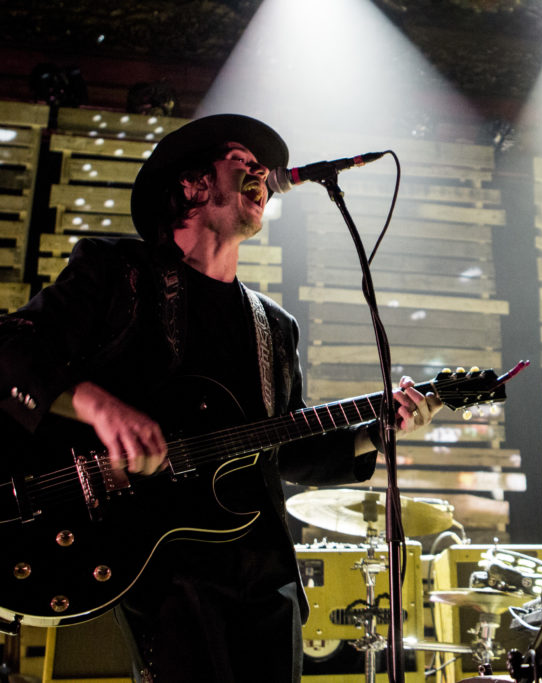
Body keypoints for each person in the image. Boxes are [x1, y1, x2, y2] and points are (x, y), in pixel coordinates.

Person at [0, 114, 442, 682]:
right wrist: (95, 405)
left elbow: (284, 444)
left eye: (262, 167)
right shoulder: (118, 274)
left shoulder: (273, 326)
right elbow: (11, 346)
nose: (260, 171)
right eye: (241, 159)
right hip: (163, 559)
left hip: (264, 569)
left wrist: (377, 427)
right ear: (192, 186)